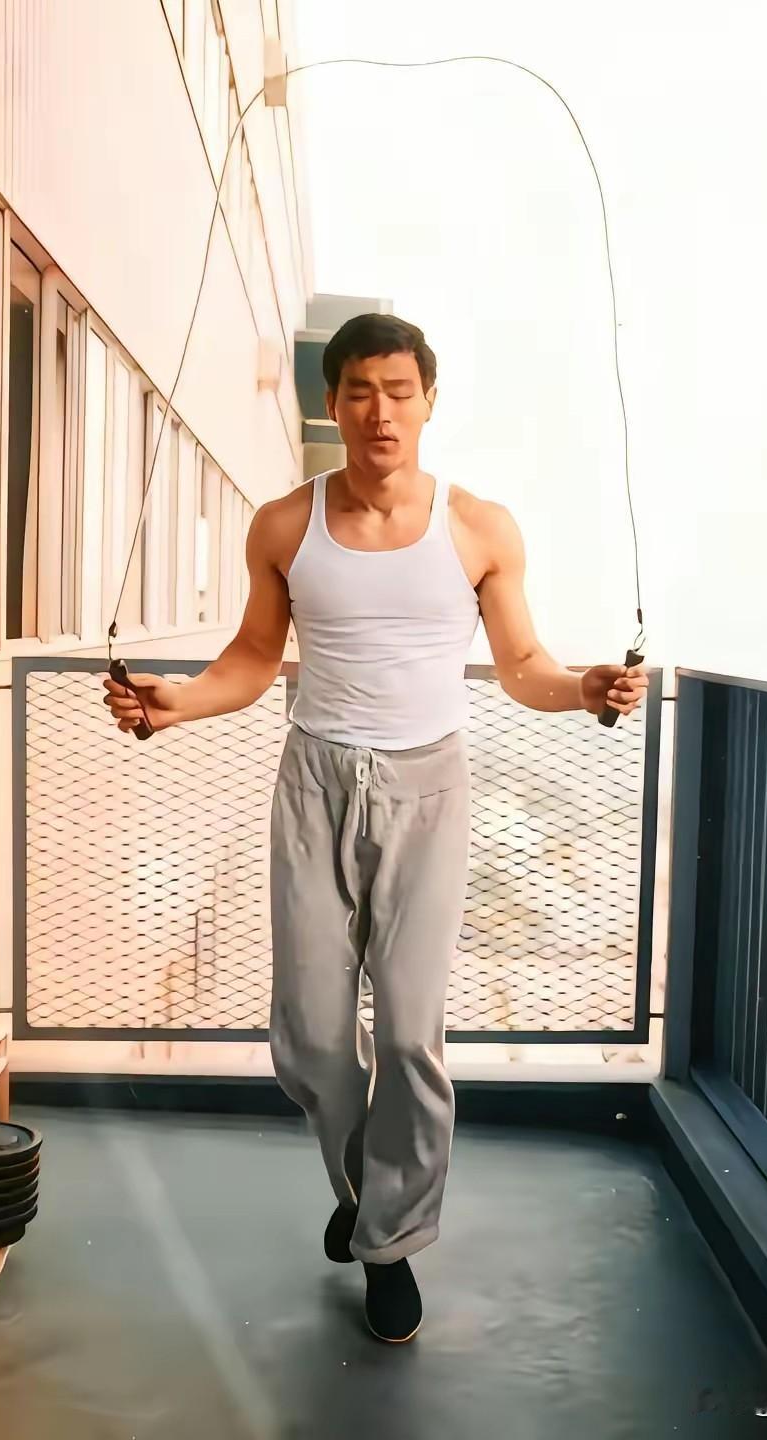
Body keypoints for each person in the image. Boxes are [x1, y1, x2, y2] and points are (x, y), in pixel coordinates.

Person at [103, 314, 648, 1344]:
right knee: (311, 1036)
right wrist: (175, 704)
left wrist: (585, 688)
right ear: (333, 403)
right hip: (314, 782)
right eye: (360, 390)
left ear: (429, 401)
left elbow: (523, 667)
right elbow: (252, 659)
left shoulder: (481, 528)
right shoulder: (283, 525)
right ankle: (364, 1189)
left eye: (400, 391)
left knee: (406, 1034)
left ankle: (388, 1243)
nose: (381, 411)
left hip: (428, 788)